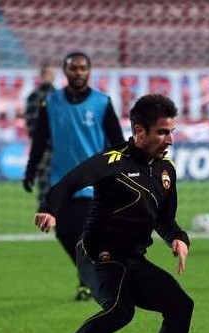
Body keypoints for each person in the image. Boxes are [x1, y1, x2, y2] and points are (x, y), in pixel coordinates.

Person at [31, 94, 198, 333]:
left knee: (181, 305)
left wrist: (178, 238)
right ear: (139, 132)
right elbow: (69, 183)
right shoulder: (113, 160)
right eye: (162, 132)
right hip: (98, 254)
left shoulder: (166, 170)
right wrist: (49, 208)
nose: (170, 140)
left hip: (133, 258)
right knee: (120, 311)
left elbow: (165, 220)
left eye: (172, 132)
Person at [23, 51, 125, 301]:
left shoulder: (102, 102)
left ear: (89, 72)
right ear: (65, 71)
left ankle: (89, 280)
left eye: (83, 68)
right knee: (63, 233)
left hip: (93, 181)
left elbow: (117, 141)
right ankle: (89, 276)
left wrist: (122, 171)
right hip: (61, 180)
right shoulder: (50, 103)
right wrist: (31, 169)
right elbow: (40, 140)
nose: (78, 72)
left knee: (81, 232)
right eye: (74, 68)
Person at [24, 61, 56, 206]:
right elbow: (30, 124)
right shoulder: (58, 97)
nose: (52, 77)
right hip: (49, 150)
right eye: (50, 74)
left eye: (53, 74)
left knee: (49, 186)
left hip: (48, 149)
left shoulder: (33, 97)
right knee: (46, 185)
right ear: (42, 76)